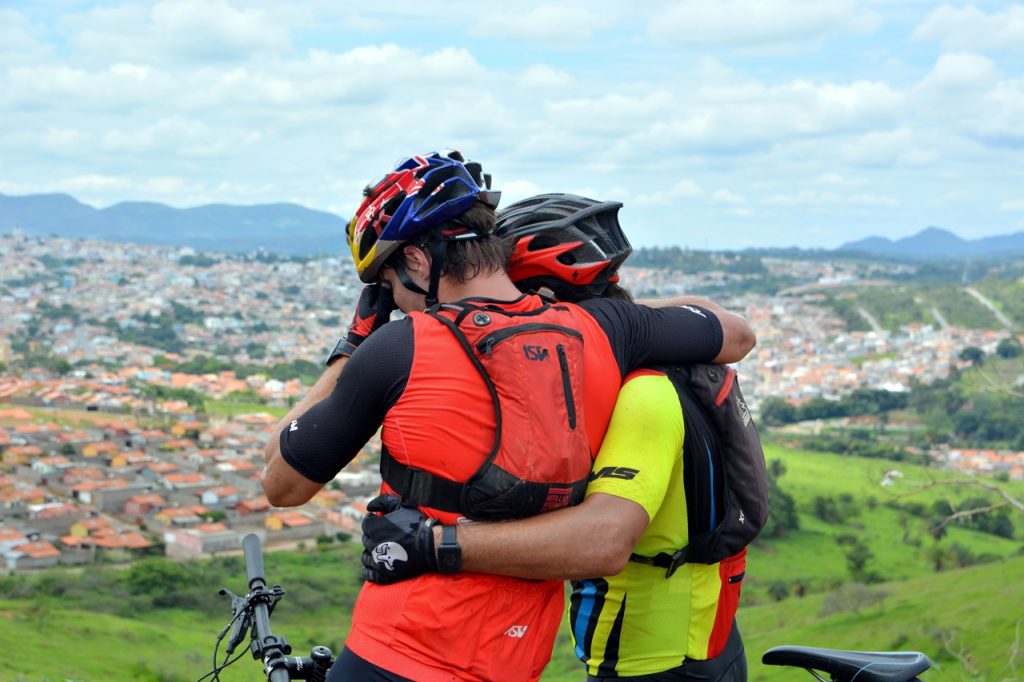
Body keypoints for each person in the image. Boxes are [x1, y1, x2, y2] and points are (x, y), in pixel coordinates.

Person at [262, 153, 756, 682]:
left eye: (389, 281)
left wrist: (352, 345)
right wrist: (609, 312)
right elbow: (736, 333)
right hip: (517, 660)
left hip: (399, 648)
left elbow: (281, 483)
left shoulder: (395, 347)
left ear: (418, 263)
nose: (396, 302)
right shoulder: (604, 330)